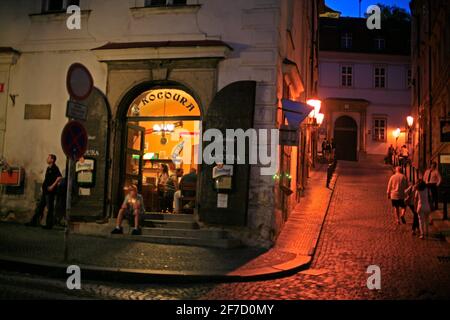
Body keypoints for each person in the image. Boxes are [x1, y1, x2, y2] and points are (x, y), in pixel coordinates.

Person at [26, 154, 62, 229]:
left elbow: (59, 177)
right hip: (45, 191)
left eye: (48, 158)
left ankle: (49, 225)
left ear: (52, 160)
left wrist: (52, 186)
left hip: (50, 192)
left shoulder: (55, 168)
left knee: (50, 209)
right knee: (40, 207)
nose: (47, 159)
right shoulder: (48, 168)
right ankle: (33, 222)